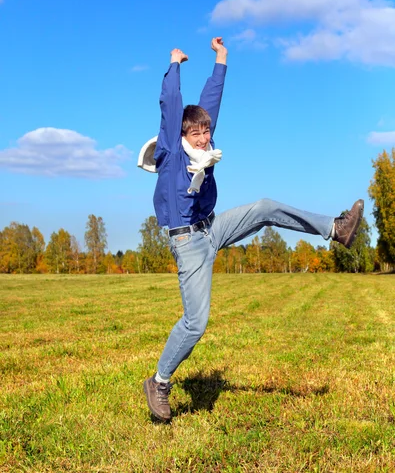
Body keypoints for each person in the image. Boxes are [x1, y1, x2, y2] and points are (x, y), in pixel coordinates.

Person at [140, 37, 364, 422]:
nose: (205, 138)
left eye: (207, 132)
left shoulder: (207, 148)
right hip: (188, 242)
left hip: (213, 228)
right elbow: (170, 107)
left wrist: (221, 59)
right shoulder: (172, 152)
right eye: (196, 134)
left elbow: (211, 101)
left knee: (264, 207)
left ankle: (336, 229)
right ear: (182, 136)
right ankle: (159, 382)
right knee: (196, 323)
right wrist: (174, 65)